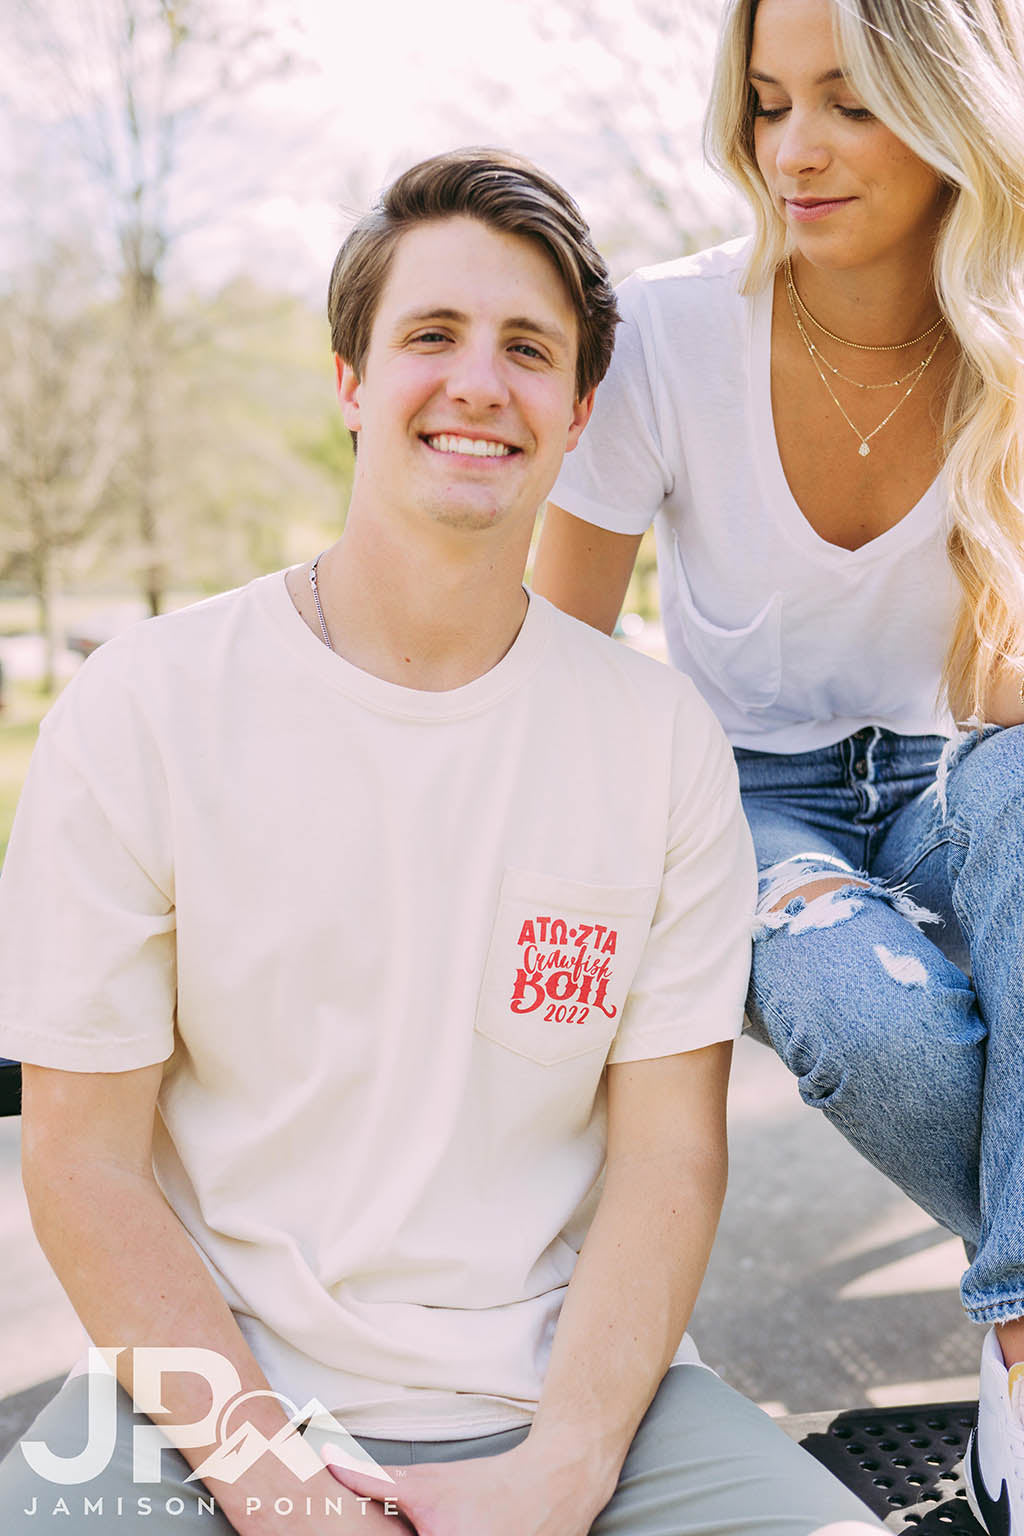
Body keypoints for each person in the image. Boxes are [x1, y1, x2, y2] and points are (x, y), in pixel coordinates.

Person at [0, 150, 880, 1536]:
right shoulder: (146, 707)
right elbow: (81, 1161)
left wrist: (562, 1474)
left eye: (528, 350)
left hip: (584, 1404)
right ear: (350, 381)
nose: (479, 382)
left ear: (581, 410)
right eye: (430, 336)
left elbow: (665, 1159)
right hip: (207, 1399)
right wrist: (269, 1481)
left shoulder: (656, 743)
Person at [534, 1, 1024, 1532]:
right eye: (765, 103)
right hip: (746, 790)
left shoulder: (1012, 329)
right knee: (855, 1022)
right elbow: (562, 645)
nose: (791, 151)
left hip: (968, 769)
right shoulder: (671, 336)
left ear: (955, 120)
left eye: (849, 106)